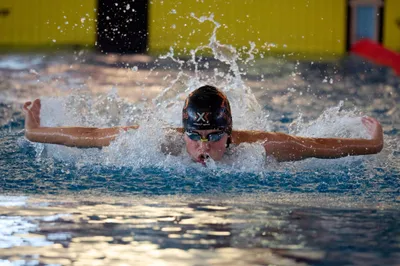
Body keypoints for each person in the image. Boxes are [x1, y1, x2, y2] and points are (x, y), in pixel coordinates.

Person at [23, 85, 384, 164]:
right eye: (195, 136)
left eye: (214, 137)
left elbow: (319, 146)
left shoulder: (260, 147)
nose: (204, 148)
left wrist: (375, 142)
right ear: (184, 132)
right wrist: (34, 130)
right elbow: (93, 137)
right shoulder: (158, 143)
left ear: (230, 134)